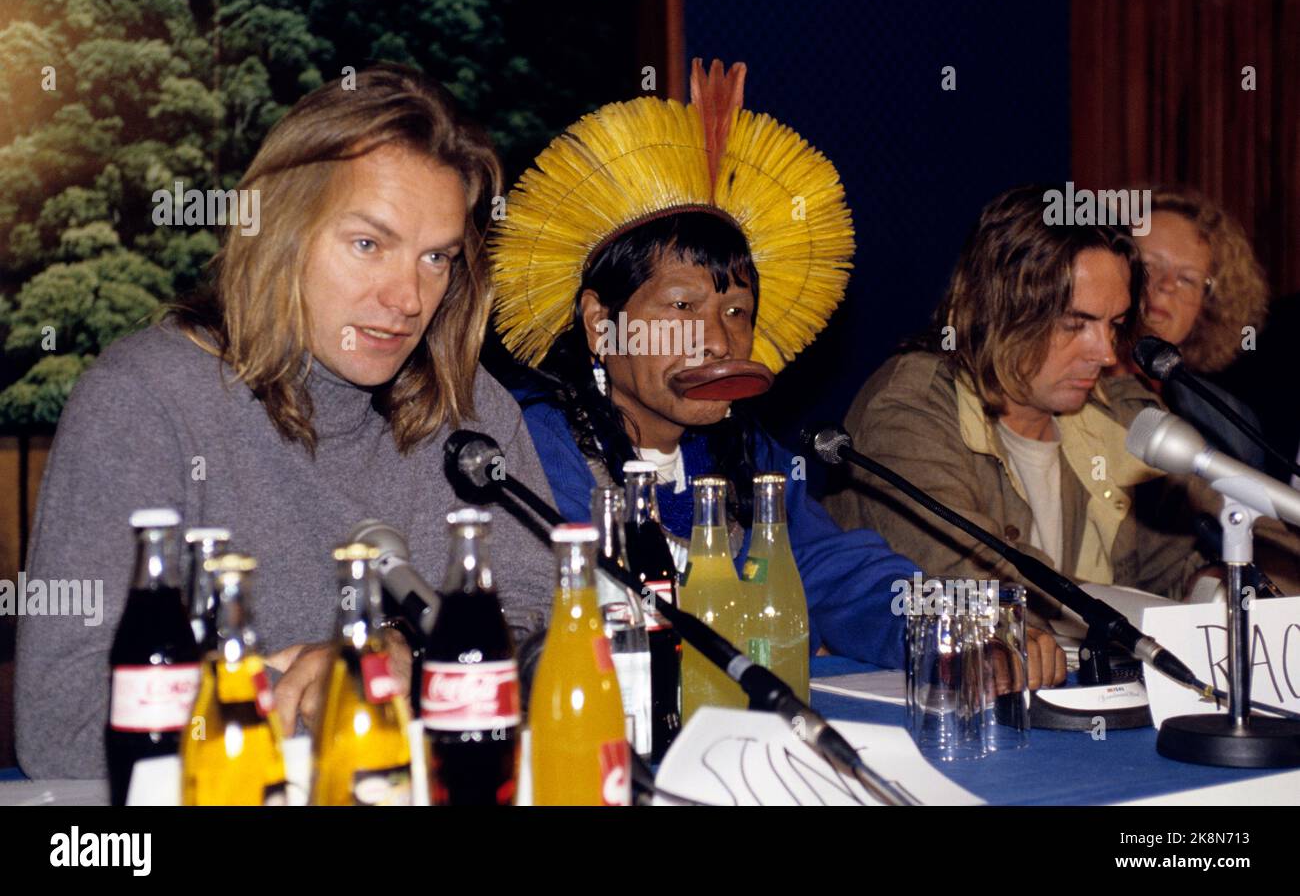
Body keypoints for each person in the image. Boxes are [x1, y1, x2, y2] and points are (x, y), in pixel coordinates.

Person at [16, 64, 556, 780]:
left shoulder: (471, 410)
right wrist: (301, 702)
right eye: (369, 244)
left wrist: (411, 653)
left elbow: (551, 639)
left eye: (437, 258)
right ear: (280, 229)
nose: (406, 297)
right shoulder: (145, 401)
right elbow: (65, 724)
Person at [488, 60, 1064, 683]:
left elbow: (838, 570)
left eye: (737, 311)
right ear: (602, 324)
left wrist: (953, 629)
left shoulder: (747, 452)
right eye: (682, 306)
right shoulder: (531, 449)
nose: (717, 339)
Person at [823, 185, 1209, 628]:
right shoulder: (908, 409)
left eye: (1115, 325)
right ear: (999, 310)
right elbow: (971, 582)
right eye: (1074, 324)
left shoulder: (1112, 415)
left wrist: (1212, 581)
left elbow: (1175, 558)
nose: (1106, 354)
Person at [1116, 186, 1270, 469]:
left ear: (1207, 305)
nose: (1165, 285)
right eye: (1148, 265)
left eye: (1187, 279)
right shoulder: (1065, 391)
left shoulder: (1230, 423)